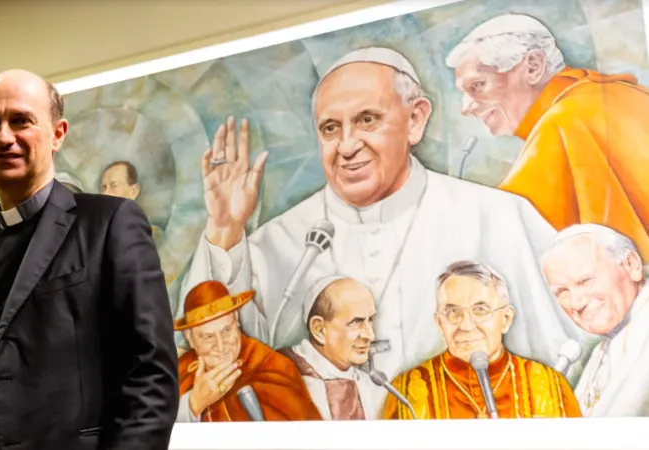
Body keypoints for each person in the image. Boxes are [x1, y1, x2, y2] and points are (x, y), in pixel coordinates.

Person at [181, 46, 583, 382]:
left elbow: (569, 355)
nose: (347, 146)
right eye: (330, 129)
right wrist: (224, 230)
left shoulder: (495, 216)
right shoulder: (281, 239)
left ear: (415, 119)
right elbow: (216, 355)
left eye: (367, 120)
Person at [0, 69, 178, 449]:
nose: (4, 136)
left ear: (58, 133)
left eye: (21, 120)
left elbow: (150, 375)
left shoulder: (109, 224)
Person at [446, 13, 649, 261]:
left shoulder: (563, 120)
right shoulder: (626, 94)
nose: (466, 108)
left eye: (477, 85)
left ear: (533, 66)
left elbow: (509, 235)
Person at [383, 261, 581, 420]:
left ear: (506, 319)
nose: (467, 325)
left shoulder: (550, 385)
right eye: (453, 312)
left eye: (480, 310)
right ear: (440, 323)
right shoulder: (405, 392)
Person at [541, 224, 649, 417]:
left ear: (631, 265)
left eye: (585, 281)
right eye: (562, 291)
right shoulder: (598, 348)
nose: (576, 303)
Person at [175, 280, 321, 422]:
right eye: (208, 337)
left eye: (227, 330)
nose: (221, 346)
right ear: (190, 338)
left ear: (236, 319)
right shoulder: (180, 371)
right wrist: (194, 404)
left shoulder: (273, 366)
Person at [279, 276, 384, 420]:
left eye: (370, 320)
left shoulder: (369, 384)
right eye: (356, 322)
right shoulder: (282, 376)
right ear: (319, 329)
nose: (370, 335)